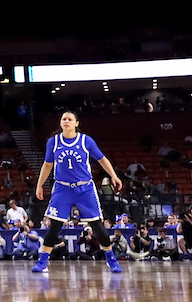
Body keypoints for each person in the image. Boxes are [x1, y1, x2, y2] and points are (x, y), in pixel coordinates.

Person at [31, 111, 124, 273]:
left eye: (70, 119)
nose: (66, 121)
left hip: (84, 188)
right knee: (54, 226)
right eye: (64, 119)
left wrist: (113, 176)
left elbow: (102, 159)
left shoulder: (86, 140)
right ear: (60, 123)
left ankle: (111, 258)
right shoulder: (53, 142)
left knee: (97, 224)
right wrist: (39, 185)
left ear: (76, 123)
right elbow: (47, 165)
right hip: (62, 188)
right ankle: (42, 262)